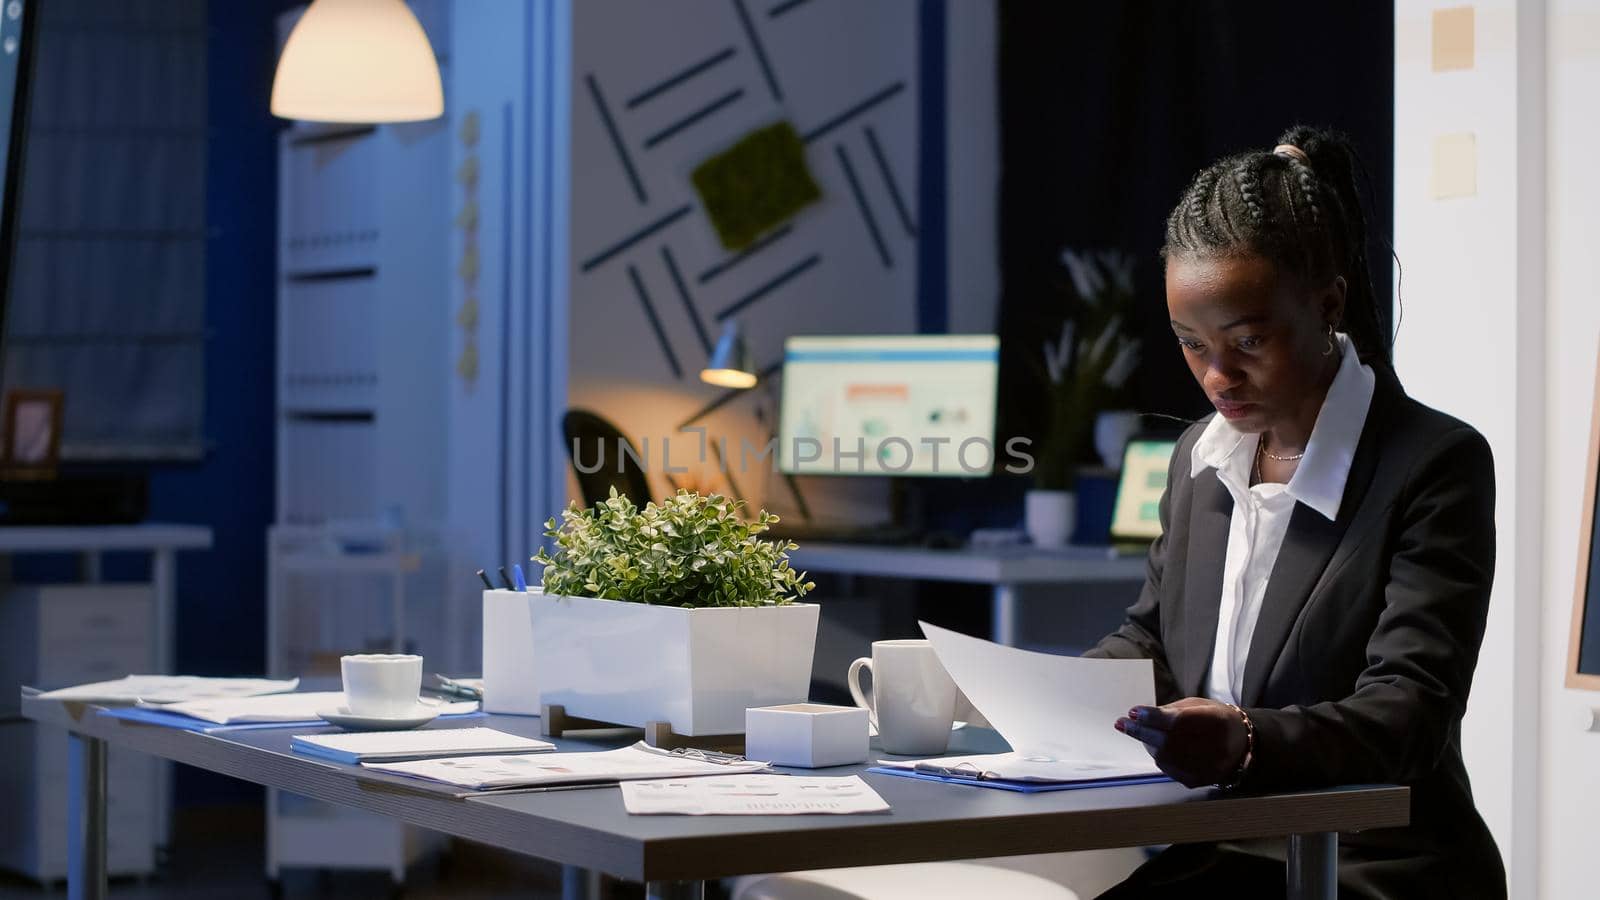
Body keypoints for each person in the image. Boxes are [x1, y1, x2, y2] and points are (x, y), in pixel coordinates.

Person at [1088, 126, 1504, 899]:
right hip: (1228, 854)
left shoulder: (1432, 464)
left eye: (1248, 340)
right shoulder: (1199, 461)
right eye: (1190, 343)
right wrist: (1036, 697)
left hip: (1376, 869)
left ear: (1328, 305)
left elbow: (1407, 712)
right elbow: (1153, 639)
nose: (1218, 376)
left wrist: (1245, 741)